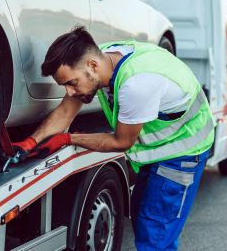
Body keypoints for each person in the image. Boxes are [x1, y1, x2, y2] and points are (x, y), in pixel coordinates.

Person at [12, 26, 215, 250]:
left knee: (155, 235)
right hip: (159, 150)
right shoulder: (104, 58)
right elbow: (65, 113)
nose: (69, 92)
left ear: (92, 65)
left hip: (183, 151)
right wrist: (30, 142)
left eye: (71, 83)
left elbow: (121, 142)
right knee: (143, 219)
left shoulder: (136, 84)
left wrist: (69, 139)